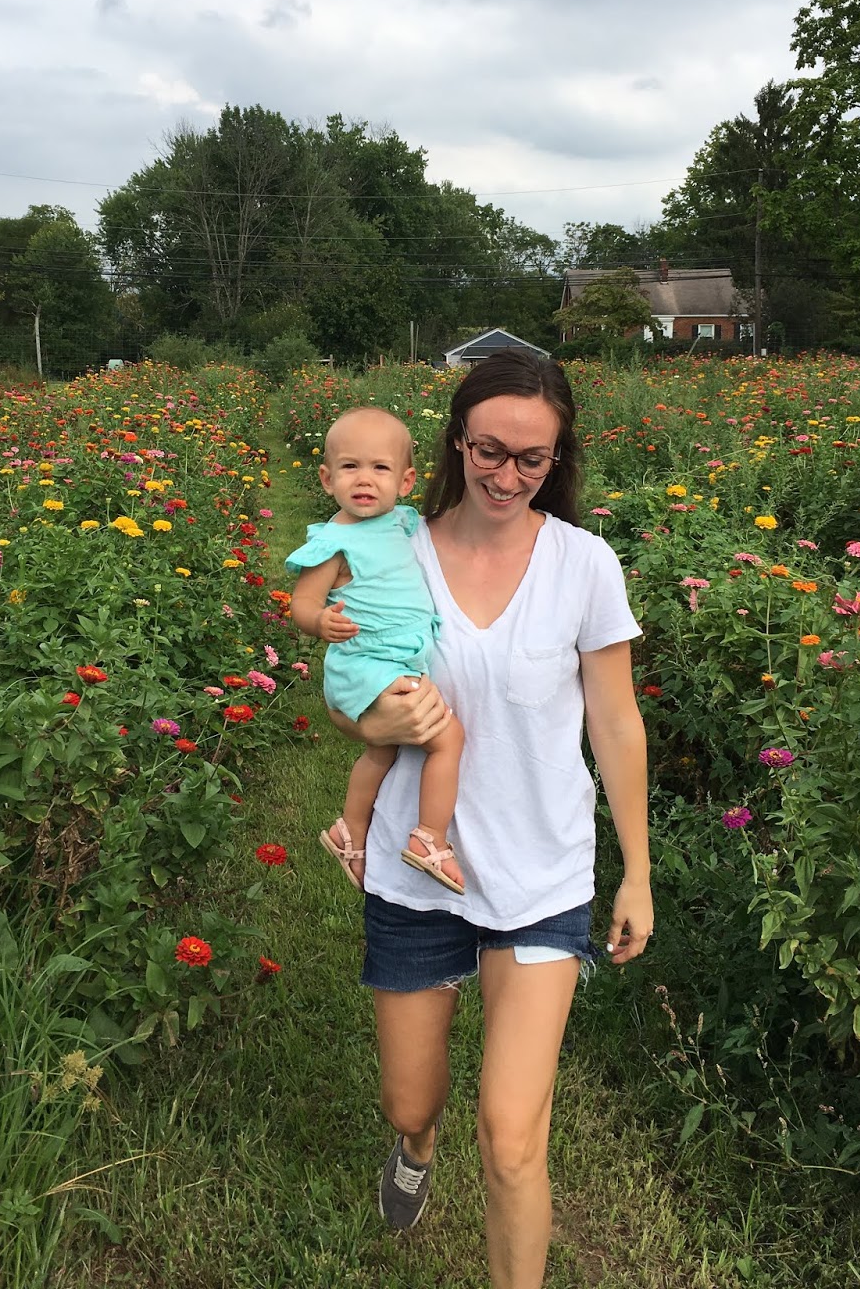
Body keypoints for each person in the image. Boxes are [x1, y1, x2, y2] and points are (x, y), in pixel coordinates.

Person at [326, 352, 652, 1289]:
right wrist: (368, 720)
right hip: (413, 866)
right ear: (456, 443)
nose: (508, 476)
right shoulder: (392, 551)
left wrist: (636, 870)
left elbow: (615, 720)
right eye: (490, 451)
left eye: (533, 459)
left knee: (512, 1139)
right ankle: (414, 1147)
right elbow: (347, 695)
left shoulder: (584, 564)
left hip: (542, 872)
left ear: (559, 460)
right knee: (410, 1098)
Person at [287, 407, 467, 892]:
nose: (364, 479)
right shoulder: (334, 543)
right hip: (366, 660)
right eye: (349, 467)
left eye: (380, 468)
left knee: (380, 751)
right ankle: (430, 837)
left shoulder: (403, 524)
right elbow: (300, 604)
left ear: (406, 481)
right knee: (448, 738)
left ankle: (348, 829)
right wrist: (319, 621)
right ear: (327, 479)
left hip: (395, 658)